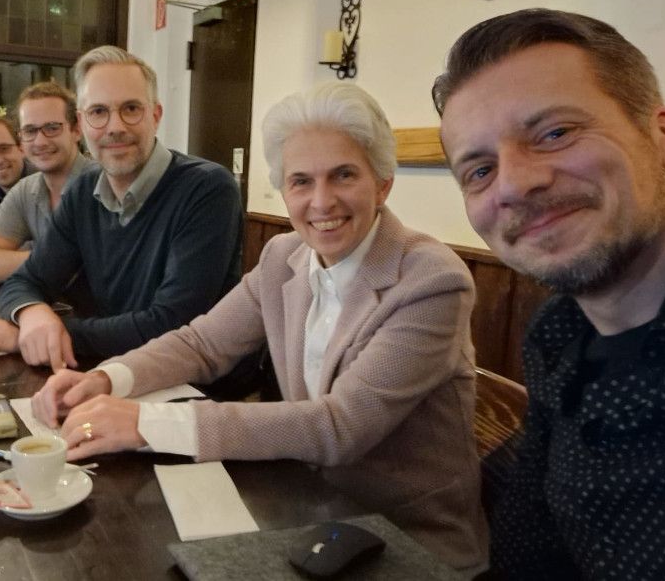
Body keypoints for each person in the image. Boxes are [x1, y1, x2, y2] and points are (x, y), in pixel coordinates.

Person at [29, 81, 488, 572]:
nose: (321, 201)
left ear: (383, 184)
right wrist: (106, 378)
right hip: (302, 511)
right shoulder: (283, 256)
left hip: (409, 542)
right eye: (301, 181)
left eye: (343, 175)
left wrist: (144, 424)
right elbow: (202, 343)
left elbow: (339, 427)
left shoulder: (430, 280)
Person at [433, 8, 665, 579]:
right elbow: (529, 553)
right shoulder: (558, 330)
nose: (515, 184)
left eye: (555, 133)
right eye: (479, 170)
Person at [0, 45, 244, 373]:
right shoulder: (83, 191)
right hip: (112, 371)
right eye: (98, 112)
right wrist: (32, 314)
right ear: (82, 122)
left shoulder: (207, 188)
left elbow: (171, 325)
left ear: (155, 115)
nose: (114, 126)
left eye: (131, 108)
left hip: (193, 385)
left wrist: (28, 337)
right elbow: (26, 280)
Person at [0, 82, 88, 283]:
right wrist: (57, 260)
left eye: (52, 128)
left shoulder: (104, 184)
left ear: (76, 129)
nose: (40, 142)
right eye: (30, 131)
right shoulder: (25, 190)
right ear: (21, 139)